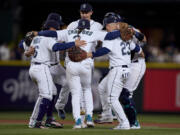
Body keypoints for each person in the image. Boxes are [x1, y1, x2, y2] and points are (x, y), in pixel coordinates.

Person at [21, 19, 86, 128]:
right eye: (55, 28)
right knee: (46, 95)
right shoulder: (48, 38)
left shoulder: (36, 38)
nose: (57, 30)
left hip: (33, 67)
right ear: (51, 28)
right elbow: (56, 47)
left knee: (53, 91)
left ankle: (46, 120)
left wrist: (27, 52)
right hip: (42, 67)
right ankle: (36, 122)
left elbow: (28, 51)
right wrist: (73, 43)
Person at [87, 15, 144, 130]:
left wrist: (92, 54)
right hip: (126, 69)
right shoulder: (126, 36)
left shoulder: (110, 36)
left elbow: (105, 50)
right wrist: (140, 53)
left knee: (112, 99)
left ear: (110, 25)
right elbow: (139, 50)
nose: (106, 28)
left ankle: (124, 123)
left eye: (107, 25)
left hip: (117, 69)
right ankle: (108, 114)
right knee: (102, 87)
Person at [55, 2, 103, 125]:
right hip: (80, 60)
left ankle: (79, 120)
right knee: (83, 89)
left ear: (91, 12)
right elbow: (106, 38)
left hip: (81, 60)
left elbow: (57, 39)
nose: (84, 14)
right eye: (82, 12)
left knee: (77, 90)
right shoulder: (74, 25)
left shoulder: (95, 26)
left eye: (86, 12)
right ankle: (87, 117)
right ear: (80, 12)